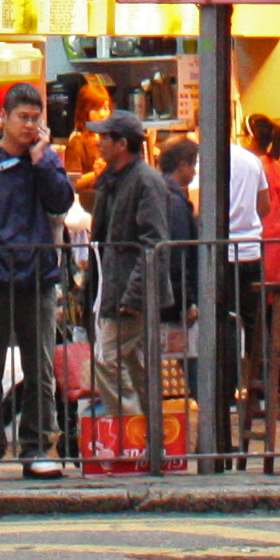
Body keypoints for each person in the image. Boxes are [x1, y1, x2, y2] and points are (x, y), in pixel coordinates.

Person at [0, 82, 76, 482]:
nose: (29, 125)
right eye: (22, 117)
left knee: (39, 366)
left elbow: (61, 202)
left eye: (35, 119)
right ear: (3, 118)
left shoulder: (46, 161)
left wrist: (43, 161)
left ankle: (37, 447)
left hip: (38, 276)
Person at [87, 112, 181, 430]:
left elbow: (154, 242)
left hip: (128, 288)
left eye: (104, 137)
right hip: (116, 285)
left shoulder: (144, 180)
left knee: (108, 358)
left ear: (122, 144)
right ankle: (153, 436)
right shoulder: (115, 178)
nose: (98, 142)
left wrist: (135, 293)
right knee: (133, 362)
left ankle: (131, 432)